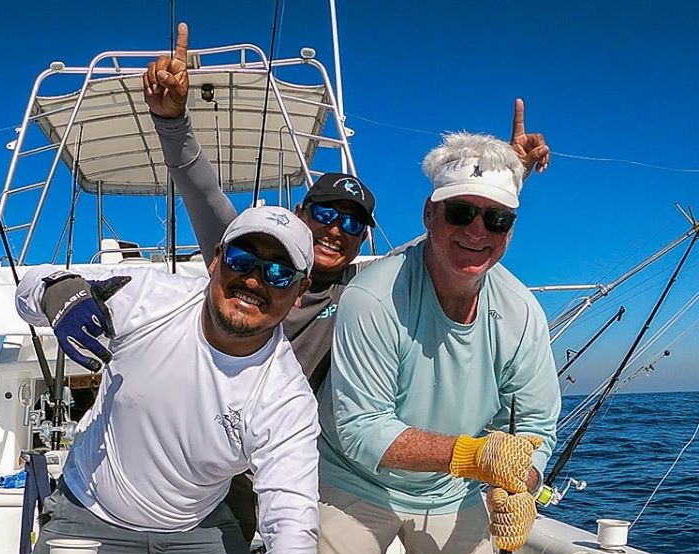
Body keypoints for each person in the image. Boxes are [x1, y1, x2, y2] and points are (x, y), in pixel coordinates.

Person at [16, 206, 320, 554]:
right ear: (215, 261)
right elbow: (28, 287)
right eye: (243, 259)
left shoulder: (287, 399)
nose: (254, 280)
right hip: (85, 516)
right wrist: (54, 292)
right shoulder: (146, 295)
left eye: (278, 273)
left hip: (194, 530)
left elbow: (292, 528)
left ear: (298, 294)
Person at [142, 22, 550, 392]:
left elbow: (455, 238)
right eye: (324, 214)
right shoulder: (243, 259)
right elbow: (202, 193)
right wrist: (172, 121)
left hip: (284, 434)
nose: (336, 229)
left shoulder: (360, 288)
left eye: (353, 224)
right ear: (300, 214)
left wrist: (504, 176)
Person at [316, 133, 560, 554]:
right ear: (430, 213)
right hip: (352, 480)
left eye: (497, 219)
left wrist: (521, 483)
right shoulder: (372, 297)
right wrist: (475, 457)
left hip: (452, 490)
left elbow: (535, 426)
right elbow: (361, 430)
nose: (477, 231)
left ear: (509, 230)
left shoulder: (523, 313)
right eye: (461, 212)